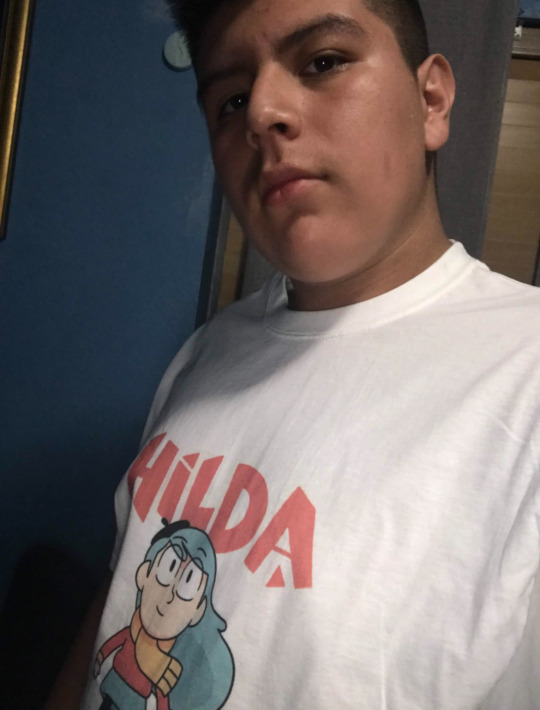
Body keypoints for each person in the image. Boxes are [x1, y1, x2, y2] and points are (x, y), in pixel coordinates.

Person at [47, 0, 540, 708]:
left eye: (324, 62)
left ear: (430, 100)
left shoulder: (524, 378)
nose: (261, 114)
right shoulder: (209, 350)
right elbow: (119, 594)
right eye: (231, 100)